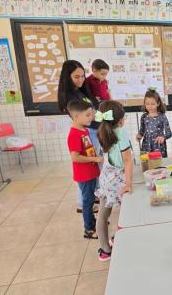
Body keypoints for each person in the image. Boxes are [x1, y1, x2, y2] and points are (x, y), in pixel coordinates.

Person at [58, 60, 100, 213]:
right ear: (67, 77)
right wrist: (98, 116)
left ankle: (90, 199)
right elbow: (76, 157)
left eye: (83, 76)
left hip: (92, 131)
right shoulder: (71, 96)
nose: (81, 79)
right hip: (89, 132)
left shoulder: (81, 90)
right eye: (76, 77)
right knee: (86, 172)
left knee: (92, 169)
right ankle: (83, 204)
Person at [95, 100, 133, 261]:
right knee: (127, 212)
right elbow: (127, 160)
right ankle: (120, 237)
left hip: (106, 177)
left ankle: (105, 250)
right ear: (120, 120)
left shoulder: (103, 130)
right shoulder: (121, 132)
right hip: (117, 178)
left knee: (103, 214)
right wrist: (129, 184)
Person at [67, 99, 103, 239]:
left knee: (92, 200)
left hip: (91, 172)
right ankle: (88, 229)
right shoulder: (74, 134)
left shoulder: (84, 130)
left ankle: (95, 223)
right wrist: (94, 159)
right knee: (87, 203)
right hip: (84, 175)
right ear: (76, 116)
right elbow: (75, 157)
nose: (91, 117)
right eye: (88, 115)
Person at [136, 89, 172, 157]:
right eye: (147, 104)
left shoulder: (162, 116)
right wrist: (139, 135)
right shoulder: (144, 117)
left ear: (158, 103)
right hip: (146, 146)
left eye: (152, 104)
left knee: (159, 165)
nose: (150, 106)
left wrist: (163, 137)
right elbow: (142, 131)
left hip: (158, 146)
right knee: (147, 164)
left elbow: (169, 133)